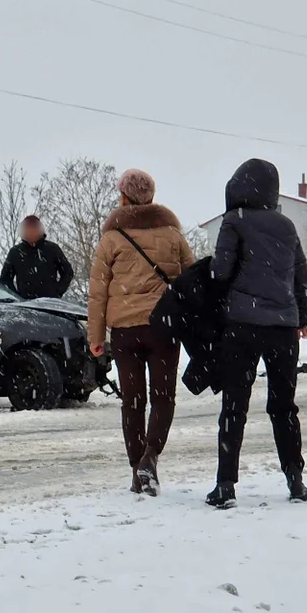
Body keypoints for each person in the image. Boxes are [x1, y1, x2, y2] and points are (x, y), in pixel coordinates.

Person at [206, 159, 307, 508]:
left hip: (243, 325)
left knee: (234, 406)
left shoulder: (234, 221)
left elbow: (220, 271)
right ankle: (295, 479)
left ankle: (225, 485)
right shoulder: (286, 225)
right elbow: (302, 275)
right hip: (283, 328)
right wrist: (306, 316)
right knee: (284, 406)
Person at [88, 169, 194, 496]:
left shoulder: (112, 239)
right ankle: (150, 459)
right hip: (164, 329)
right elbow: (192, 282)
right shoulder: (173, 235)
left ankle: (138, 469)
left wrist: (95, 336)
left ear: (123, 196)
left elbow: (97, 291)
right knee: (164, 398)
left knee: (133, 402)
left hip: (124, 332)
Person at [0, 215, 74, 300]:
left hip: (51, 304)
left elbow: (68, 272)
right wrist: (16, 297)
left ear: (40, 230)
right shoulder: (15, 252)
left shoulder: (52, 249)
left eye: (34, 229)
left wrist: (57, 292)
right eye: (28, 229)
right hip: (26, 306)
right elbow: (5, 279)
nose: (31, 232)